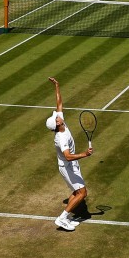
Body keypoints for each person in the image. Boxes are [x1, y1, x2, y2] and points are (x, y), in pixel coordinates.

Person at [47, 77, 93, 232]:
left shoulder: (61, 124)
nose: (58, 115)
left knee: (77, 192)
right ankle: (62, 218)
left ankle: (65, 218)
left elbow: (59, 103)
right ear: (57, 124)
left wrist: (57, 86)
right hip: (68, 166)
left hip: (71, 165)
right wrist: (85, 154)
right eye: (57, 117)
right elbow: (67, 156)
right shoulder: (61, 138)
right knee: (82, 193)